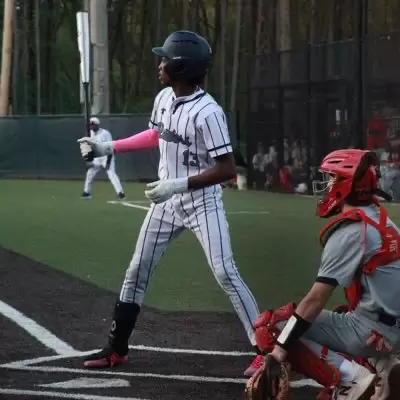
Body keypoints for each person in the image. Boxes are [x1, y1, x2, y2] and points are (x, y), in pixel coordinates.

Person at [77, 30, 262, 377]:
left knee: (225, 271)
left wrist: (176, 184)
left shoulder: (209, 112)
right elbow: (155, 134)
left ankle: (264, 349)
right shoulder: (164, 97)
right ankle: (117, 348)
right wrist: (107, 147)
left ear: (181, 67)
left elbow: (227, 169)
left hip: (202, 202)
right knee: (137, 270)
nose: (159, 65)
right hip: (165, 203)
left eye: (164, 60)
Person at [252, 149, 400, 399]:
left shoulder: (352, 230)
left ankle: (351, 379)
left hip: (372, 331)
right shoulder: (383, 220)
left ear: (346, 183)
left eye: (332, 178)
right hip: (391, 329)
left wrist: (279, 349)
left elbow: (315, 299)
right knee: (343, 312)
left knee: (271, 326)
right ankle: (384, 365)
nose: (327, 185)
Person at [81, 117, 125, 200]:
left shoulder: (105, 133)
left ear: (97, 125)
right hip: (96, 157)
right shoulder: (89, 133)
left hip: (106, 156)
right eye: (90, 125)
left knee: (111, 174)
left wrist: (108, 162)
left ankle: (120, 193)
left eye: (93, 125)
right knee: (90, 173)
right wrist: (88, 160)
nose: (91, 126)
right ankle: (86, 192)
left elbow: (110, 147)